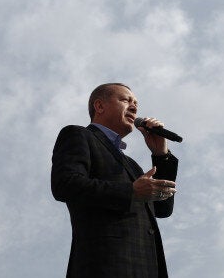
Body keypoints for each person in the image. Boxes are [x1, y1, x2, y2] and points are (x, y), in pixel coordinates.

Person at [51, 83, 179, 278]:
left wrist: (160, 154)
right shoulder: (78, 135)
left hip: (148, 268)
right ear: (100, 106)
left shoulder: (133, 166)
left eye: (136, 103)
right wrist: (131, 192)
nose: (134, 107)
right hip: (105, 265)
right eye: (125, 100)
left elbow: (162, 208)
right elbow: (65, 184)